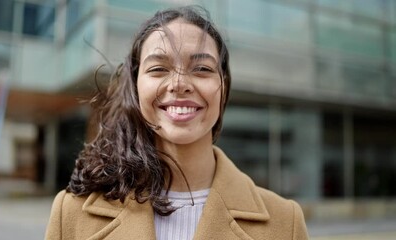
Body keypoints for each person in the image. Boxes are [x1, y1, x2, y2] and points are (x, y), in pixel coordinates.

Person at [45, 6, 308, 240]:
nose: (180, 84)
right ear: (136, 89)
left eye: (202, 69)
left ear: (223, 88)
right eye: (158, 68)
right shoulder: (70, 213)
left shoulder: (286, 222)